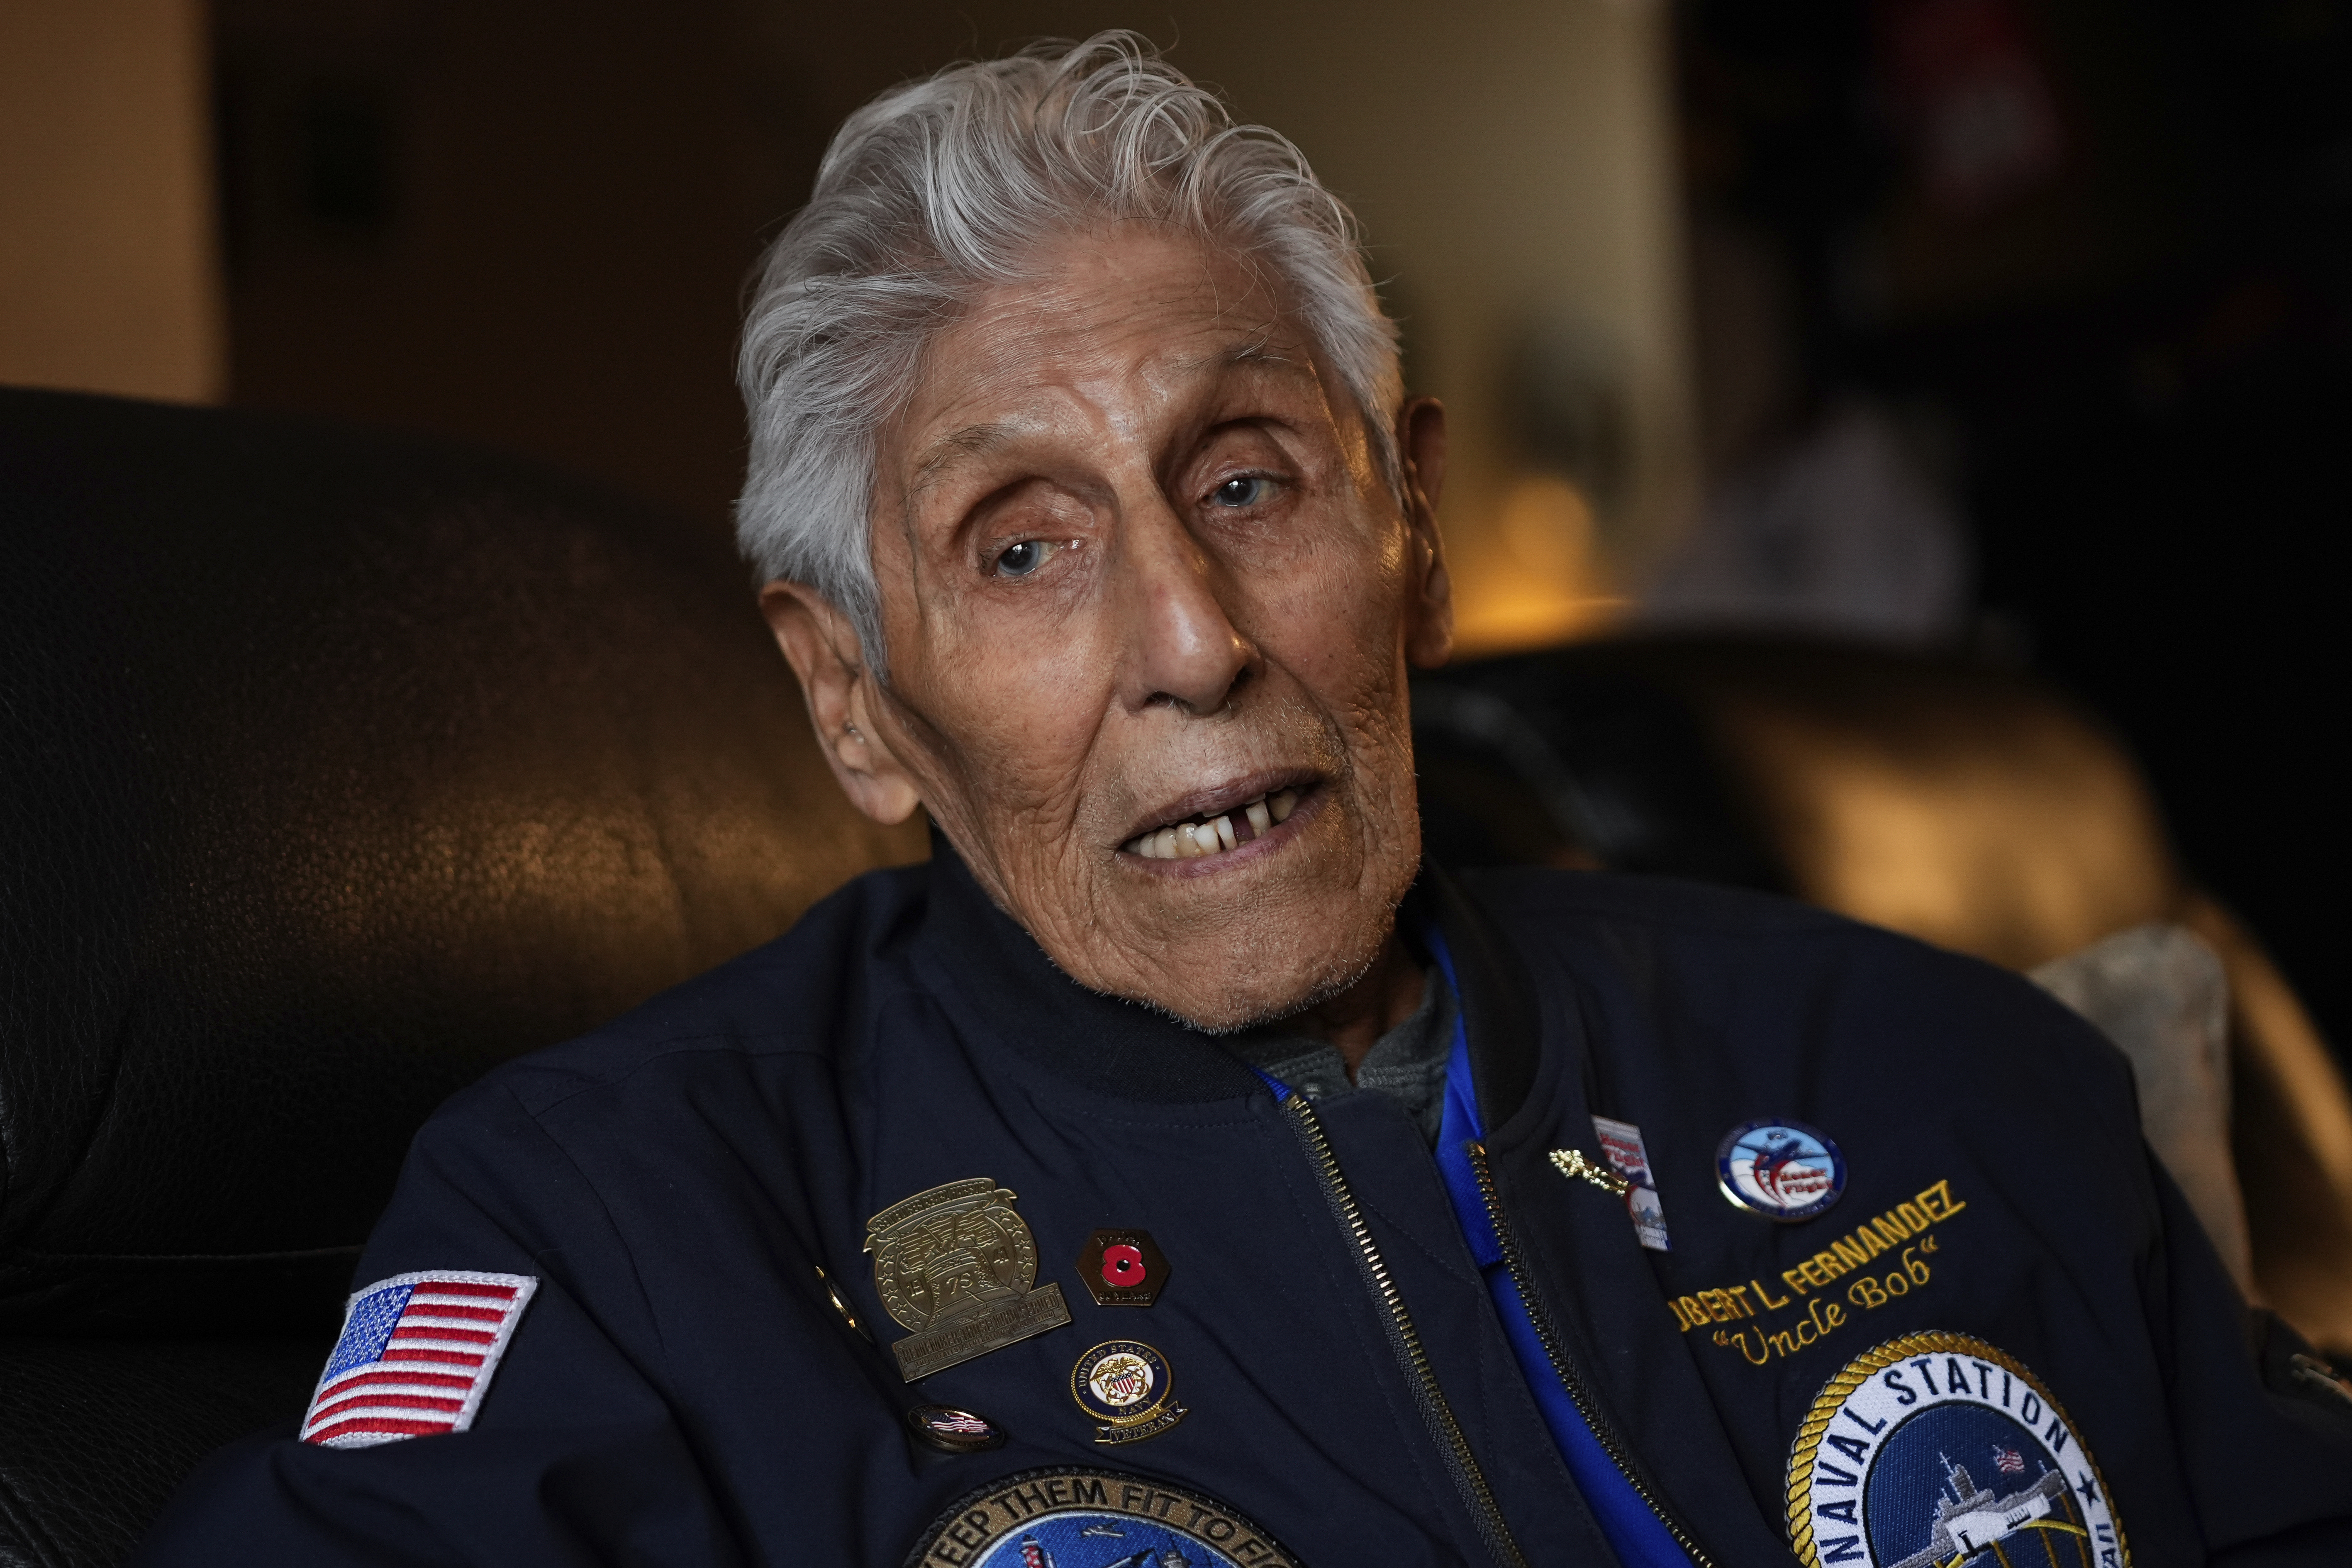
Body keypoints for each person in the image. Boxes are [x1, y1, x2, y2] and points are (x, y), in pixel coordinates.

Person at [136, 34, 2352, 1568]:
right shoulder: (626, 1225)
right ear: (849, 694)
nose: (1190, 635)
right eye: (1019, 540)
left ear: (1417, 535)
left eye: (1249, 479)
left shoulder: (1920, 1061)